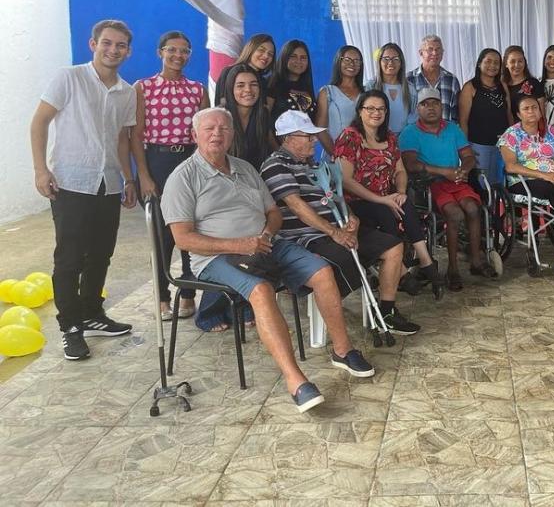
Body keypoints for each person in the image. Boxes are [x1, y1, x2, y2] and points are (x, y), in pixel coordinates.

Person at [162, 108, 372, 413]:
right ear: (194, 135)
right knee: (260, 291)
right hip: (215, 256)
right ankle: (295, 381)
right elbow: (183, 239)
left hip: (264, 243)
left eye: (224, 128)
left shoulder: (245, 168)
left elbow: (273, 213)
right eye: (209, 129)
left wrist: (265, 235)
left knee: (323, 271)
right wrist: (239, 243)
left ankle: (342, 350)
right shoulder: (183, 178)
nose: (217, 134)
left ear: (233, 135)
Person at [30, 19, 138, 361]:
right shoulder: (69, 78)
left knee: (101, 254)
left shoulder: (126, 91)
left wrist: (128, 178)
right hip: (71, 181)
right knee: (70, 258)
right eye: (107, 43)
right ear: (94, 44)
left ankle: (92, 313)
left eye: (120, 45)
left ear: (128, 51)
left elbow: (122, 138)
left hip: (108, 184)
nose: (113, 50)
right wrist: (40, 169)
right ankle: (71, 328)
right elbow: (40, 121)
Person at [262, 110, 420, 336]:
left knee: (394, 246)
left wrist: (351, 217)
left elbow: (334, 196)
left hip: (334, 228)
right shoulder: (275, 165)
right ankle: (338, 316)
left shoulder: (312, 164)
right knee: (347, 256)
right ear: (288, 138)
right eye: (308, 136)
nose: (314, 140)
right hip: (308, 236)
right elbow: (297, 206)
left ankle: (387, 312)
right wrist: (334, 232)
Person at [333, 91, 445, 297]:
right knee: (385, 210)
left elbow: (400, 170)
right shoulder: (349, 136)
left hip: (386, 198)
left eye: (381, 109)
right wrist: (382, 199)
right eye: (370, 108)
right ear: (360, 111)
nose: (376, 113)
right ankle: (401, 270)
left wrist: (401, 192)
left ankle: (426, 262)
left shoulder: (390, 137)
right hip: (355, 202)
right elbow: (345, 181)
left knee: (405, 203)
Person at [131, 30, 209, 321]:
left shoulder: (198, 89)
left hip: (190, 161)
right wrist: (144, 175)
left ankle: (188, 293)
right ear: (160, 52)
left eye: (184, 50)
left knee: (193, 228)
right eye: (171, 50)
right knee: (162, 236)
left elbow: (204, 131)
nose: (178, 55)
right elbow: (136, 135)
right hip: (157, 161)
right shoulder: (144, 87)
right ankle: (162, 297)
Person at [400, 88, 497, 289]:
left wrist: (464, 170)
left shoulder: (452, 129)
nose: (431, 108)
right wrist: (444, 172)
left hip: (456, 181)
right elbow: (411, 165)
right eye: (425, 104)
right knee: (454, 214)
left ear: (441, 106)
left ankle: (476, 262)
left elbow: (469, 156)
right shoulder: (410, 132)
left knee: (472, 208)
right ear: (417, 109)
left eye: (435, 103)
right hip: (429, 185)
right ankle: (452, 269)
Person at [498, 96, 554, 278]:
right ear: (518, 114)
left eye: (534, 107)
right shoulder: (511, 135)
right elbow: (510, 166)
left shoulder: (552, 132)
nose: (531, 111)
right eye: (526, 109)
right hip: (524, 180)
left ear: (540, 110)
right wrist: (545, 175)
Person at [458, 48, 512, 185]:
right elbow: (463, 121)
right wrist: (465, 148)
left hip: (502, 146)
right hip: (478, 146)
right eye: (488, 61)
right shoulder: (470, 87)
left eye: (496, 63)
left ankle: (497, 208)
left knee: (500, 186)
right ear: (479, 63)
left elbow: (509, 114)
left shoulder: (503, 86)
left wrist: (512, 141)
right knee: (482, 186)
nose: (492, 66)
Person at [220, 63, 273, 171]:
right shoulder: (219, 116)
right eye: (240, 85)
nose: (248, 90)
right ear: (231, 89)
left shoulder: (263, 114)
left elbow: (273, 148)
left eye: (253, 84)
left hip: (255, 179)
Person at [316, 44, 364, 156]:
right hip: (334, 156)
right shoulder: (327, 92)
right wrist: (337, 156)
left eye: (357, 61)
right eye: (347, 59)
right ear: (339, 61)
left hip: (363, 157)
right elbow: (320, 130)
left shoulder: (366, 93)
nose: (352, 64)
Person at [406, 34, 462, 121]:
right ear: (421, 53)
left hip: (446, 133)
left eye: (438, 49)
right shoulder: (409, 79)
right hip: (416, 133)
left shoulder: (452, 80)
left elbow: (457, 115)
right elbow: (405, 112)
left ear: (442, 53)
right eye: (430, 49)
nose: (435, 53)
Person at [214, 34, 275, 105]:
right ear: (250, 49)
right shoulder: (229, 72)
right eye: (261, 50)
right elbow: (221, 105)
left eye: (270, 54)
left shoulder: (264, 82)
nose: (266, 56)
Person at [368, 42, 413, 135]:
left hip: (404, 142)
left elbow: (413, 120)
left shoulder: (410, 89)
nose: (390, 62)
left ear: (401, 63)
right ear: (379, 62)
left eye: (395, 59)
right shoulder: (370, 87)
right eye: (386, 59)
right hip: (377, 142)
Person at [266, 39, 316, 124]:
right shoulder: (272, 83)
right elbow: (264, 119)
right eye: (293, 56)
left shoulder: (307, 86)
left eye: (303, 58)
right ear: (284, 57)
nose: (298, 61)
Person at [502, 45, 545, 121]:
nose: (517, 65)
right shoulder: (501, 85)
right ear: (506, 64)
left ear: (525, 62)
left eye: (520, 61)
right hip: (510, 130)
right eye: (512, 61)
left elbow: (542, 114)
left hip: (532, 129)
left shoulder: (534, 83)